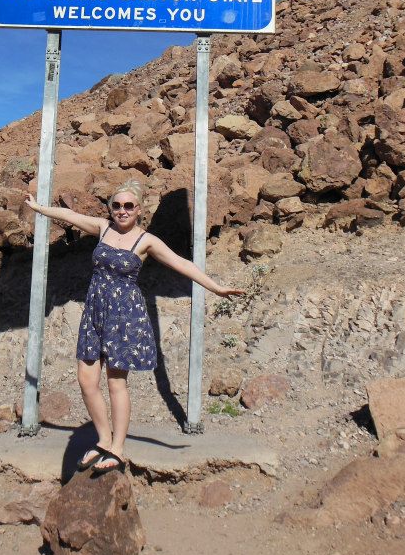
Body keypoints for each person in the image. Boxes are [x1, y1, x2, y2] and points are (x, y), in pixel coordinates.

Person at [24, 180, 245, 475]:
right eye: (116, 205)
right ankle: (103, 439)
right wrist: (38, 207)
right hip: (95, 310)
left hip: (124, 315)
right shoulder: (103, 228)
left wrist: (215, 288)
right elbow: (70, 215)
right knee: (87, 380)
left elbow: (182, 264)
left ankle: (117, 448)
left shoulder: (146, 241)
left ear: (139, 209)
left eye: (129, 205)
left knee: (116, 382)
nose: (122, 210)